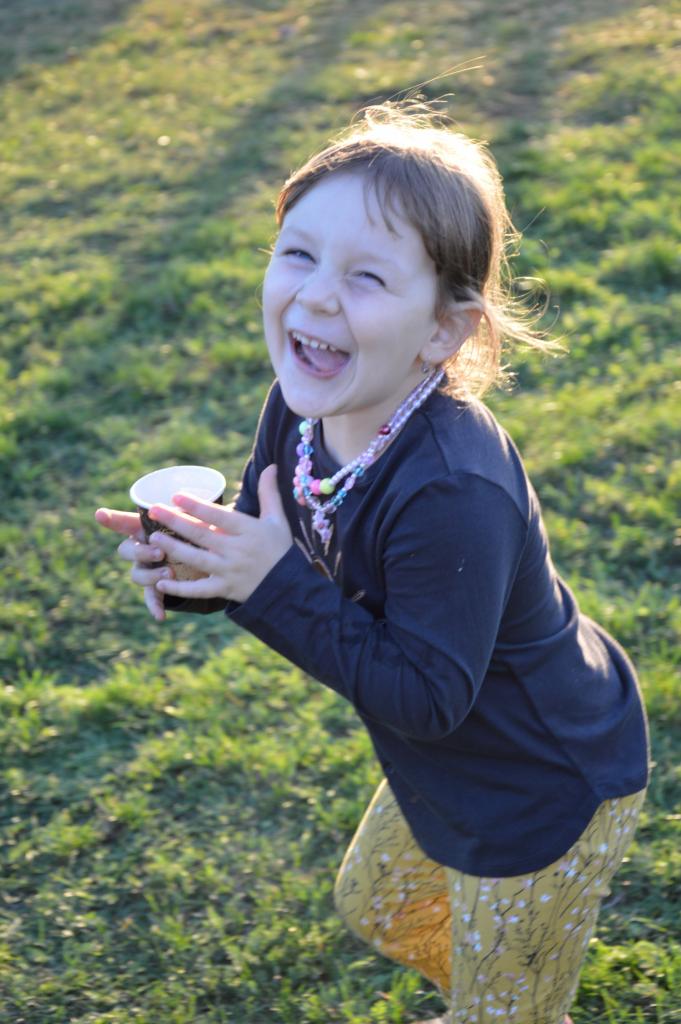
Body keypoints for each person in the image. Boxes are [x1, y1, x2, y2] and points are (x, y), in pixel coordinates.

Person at [96, 102, 650, 1024]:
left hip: (541, 782)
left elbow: (427, 695)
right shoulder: (303, 403)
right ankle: (505, 994)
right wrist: (200, 566)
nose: (316, 297)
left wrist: (265, 583)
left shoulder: (452, 491)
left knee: (504, 1011)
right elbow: (274, 531)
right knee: (380, 909)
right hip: (445, 764)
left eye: (365, 276)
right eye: (298, 254)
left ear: (442, 330)